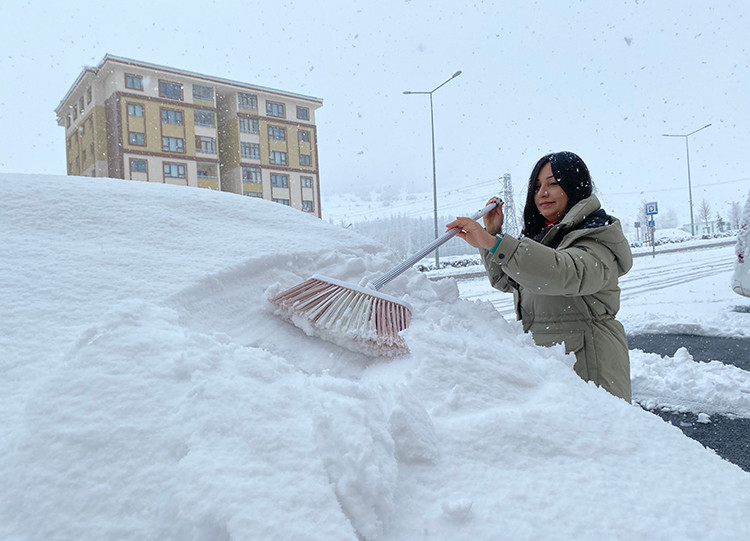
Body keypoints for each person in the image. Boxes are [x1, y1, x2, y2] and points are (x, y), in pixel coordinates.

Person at [447, 151, 633, 401]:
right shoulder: (545, 238)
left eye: (553, 184)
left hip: (590, 365)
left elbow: (567, 273)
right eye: (536, 186)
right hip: (553, 368)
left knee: (599, 439)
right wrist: (494, 234)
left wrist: (495, 243)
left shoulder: (596, 236)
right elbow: (508, 280)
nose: (542, 193)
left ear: (575, 186)